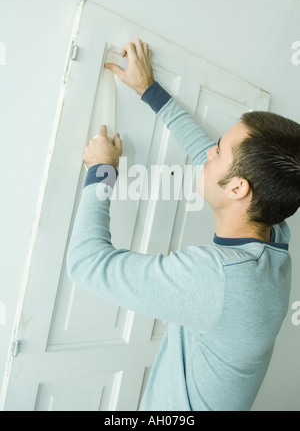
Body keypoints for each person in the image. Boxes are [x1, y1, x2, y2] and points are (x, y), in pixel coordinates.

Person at [67, 39, 300, 411]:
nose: (210, 151)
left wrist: (102, 171)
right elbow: (211, 159)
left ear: (240, 188)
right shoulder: (273, 236)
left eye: (220, 150)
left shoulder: (216, 278)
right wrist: (149, 90)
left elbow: (86, 264)